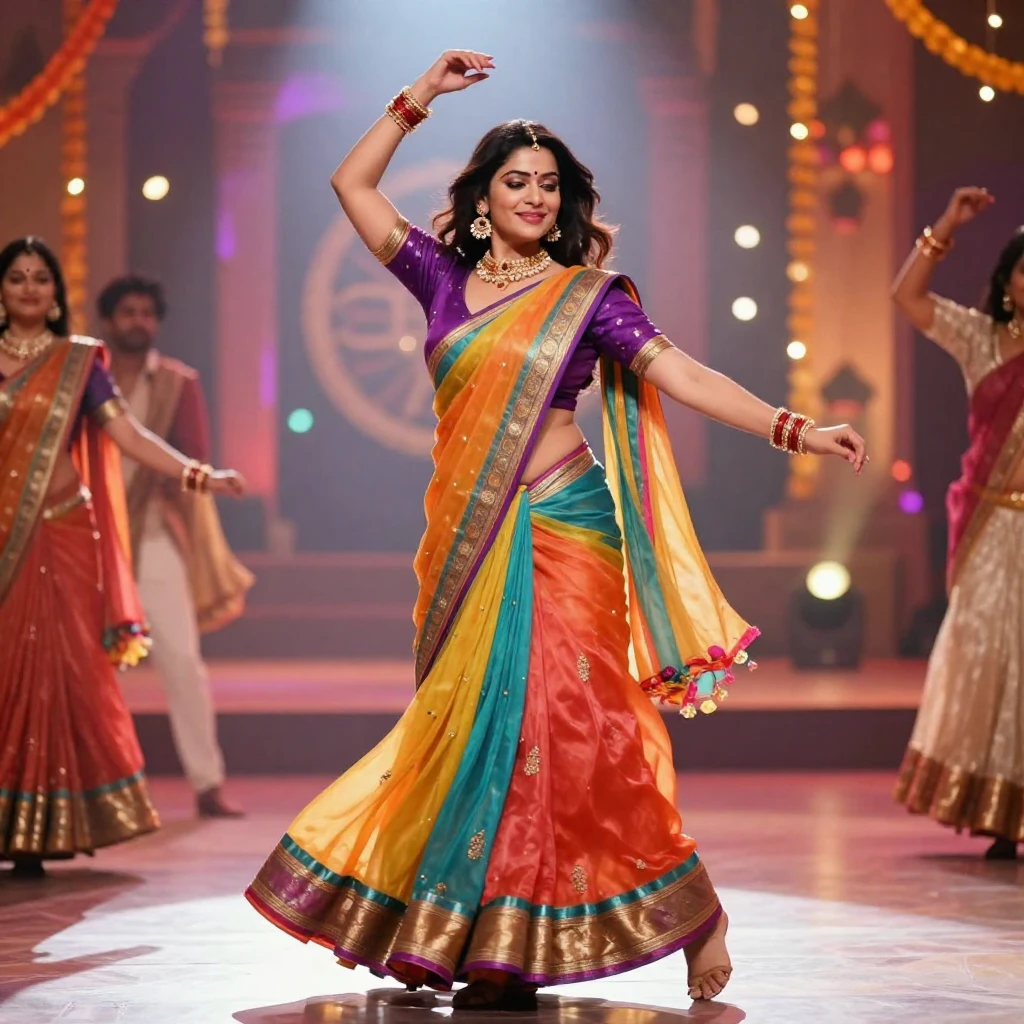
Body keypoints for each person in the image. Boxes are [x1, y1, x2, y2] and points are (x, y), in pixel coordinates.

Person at [246, 51, 867, 1007]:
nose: (535, 196)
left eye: (549, 184)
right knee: (478, 730)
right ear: (482, 199)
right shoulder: (440, 280)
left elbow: (684, 376)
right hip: (475, 535)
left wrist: (798, 429)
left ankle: (694, 910)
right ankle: (487, 936)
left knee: (579, 728)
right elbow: (351, 185)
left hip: (568, 526)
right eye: (516, 181)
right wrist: (420, 96)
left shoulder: (590, 298)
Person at [0, 237, 245, 878]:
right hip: (6, 536)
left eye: (40, 278)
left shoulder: (78, 363)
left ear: (57, 294)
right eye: (17, 277)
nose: (29, 288)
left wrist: (200, 475)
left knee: (67, 670)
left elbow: (129, 435)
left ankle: (51, 822)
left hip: (72, 533)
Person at [892, 187, 1024, 860]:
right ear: (1007, 282)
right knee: (990, 658)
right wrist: (946, 224)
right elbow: (908, 298)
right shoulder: (982, 340)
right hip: (995, 529)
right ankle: (998, 812)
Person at [98, 275, 252, 819]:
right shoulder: (88, 376)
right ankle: (94, 788)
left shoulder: (176, 383)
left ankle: (207, 783)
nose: (137, 321)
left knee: (182, 659)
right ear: (108, 320)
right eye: (128, 312)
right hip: (91, 538)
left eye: (146, 312)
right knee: (91, 667)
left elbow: (195, 453)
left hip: (154, 534)